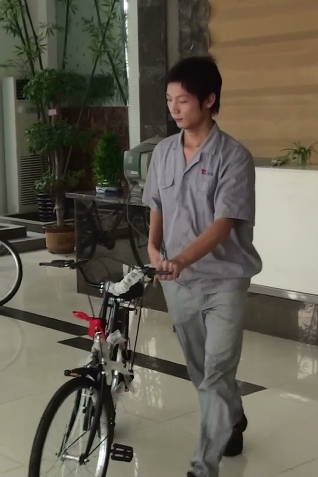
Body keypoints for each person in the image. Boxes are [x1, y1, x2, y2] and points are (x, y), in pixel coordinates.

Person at [142, 56, 262, 477]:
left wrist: (180, 259)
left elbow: (223, 224)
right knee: (201, 372)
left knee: (216, 371)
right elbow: (156, 205)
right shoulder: (162, 153)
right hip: (178, 283)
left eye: (183, 100)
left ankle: (203, 467)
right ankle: (233, 415)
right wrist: (153, 247)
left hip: (225, 281)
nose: (174, 108)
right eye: (169, 100)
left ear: (209, 100)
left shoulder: (234, 157)